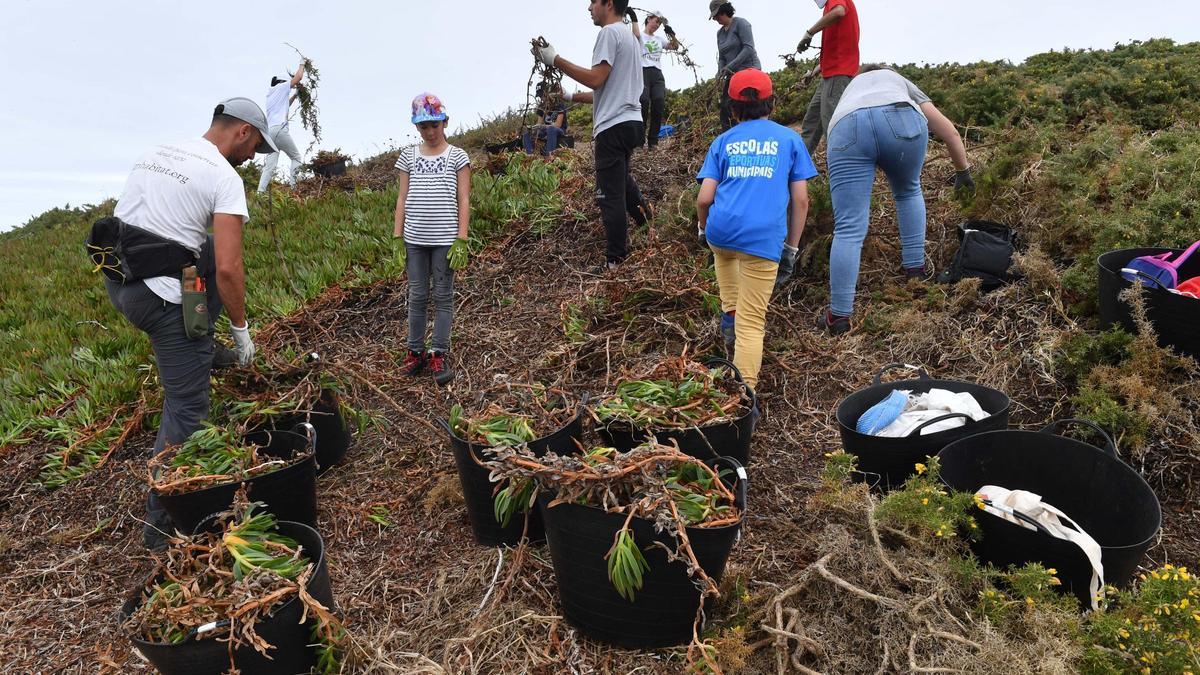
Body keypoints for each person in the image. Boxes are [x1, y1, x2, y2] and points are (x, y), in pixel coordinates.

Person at [103, 97, 274, 548]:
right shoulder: (224, 177)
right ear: (241, 131)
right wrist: (240, 330)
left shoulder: (160, 151)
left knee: (208, 249)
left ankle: (201, 343)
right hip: (159, 301)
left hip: (121, 283)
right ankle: (162, 526)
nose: (255, 155)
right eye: (256, 143)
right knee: (186, 408)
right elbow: (231, 272)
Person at [819, 66, 975, 335]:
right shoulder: (898, 80)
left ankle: (840, 316)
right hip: (901, 117)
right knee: (908, 190)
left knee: (848, 227)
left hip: (846, 126)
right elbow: (948, 131)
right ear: (885, 70)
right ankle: (915, 270)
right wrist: (963, 171)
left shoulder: (851, 89)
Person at [696, 69, 816, 390]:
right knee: (752, 325)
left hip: (720, 234)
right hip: (763, 240)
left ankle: (728, 331)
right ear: (771, 104)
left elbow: (705, 198)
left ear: (733, 109)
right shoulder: (790, 139)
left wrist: (702, 229)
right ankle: (743, 393)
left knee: (731, 291)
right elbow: (801, 201)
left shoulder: (722, 142)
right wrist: (790, 248)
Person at [536, 0, 653, 270]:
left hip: (612, 127)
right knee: (620, 180)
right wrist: (568, 95)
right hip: (631, 122)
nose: (589, 8)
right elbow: (607, 88)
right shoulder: (631, 38)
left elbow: (596, 79)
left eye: (592, 2)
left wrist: (555, 59)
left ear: (608, 4)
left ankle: (615, 261)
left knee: (608, 196)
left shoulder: (609, 33)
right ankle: (647, 221)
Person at [394, 93, 471, 385]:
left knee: (442, 296)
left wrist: (461, 237)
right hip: (415, 240)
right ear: (417, 128)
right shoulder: (408, 157)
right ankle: (415, 351)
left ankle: (438, 351)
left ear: (445, 122)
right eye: (424, 126)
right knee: (417, 296)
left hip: (445, 241)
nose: (430, 131)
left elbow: (463, 198)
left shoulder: (458, 156)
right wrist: (397, 237)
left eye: (434, 125)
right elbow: (401, 198)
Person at [796, 0, 860, 155]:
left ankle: (842, 169)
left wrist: (809, 33)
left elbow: (839, 11)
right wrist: (814, 72)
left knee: (833, 126)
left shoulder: (835, 3)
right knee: (812, 122)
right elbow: (838, 45)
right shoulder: (829, 8)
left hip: (838, 73)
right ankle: (797, 167)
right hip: (830, 73)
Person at [630, 8, 678, 149]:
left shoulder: (659, 39)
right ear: (649, 19)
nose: (657, 25)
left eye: (659, 23)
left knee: (658, 104)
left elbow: (675, 46)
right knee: (643, 102)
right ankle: (639, 142)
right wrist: (633, 16)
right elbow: (636, 33)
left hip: (657, 74)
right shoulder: (640, 36)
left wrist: (670, 32)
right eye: (656, 21)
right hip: (643, 72)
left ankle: (653, 142)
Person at [709, 1, 760, 130]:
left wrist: (730, 66)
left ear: (724, 11)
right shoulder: (719, 33)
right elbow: (722, 57)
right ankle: (730, 137)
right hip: (732, 74)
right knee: (726, 107)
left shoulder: (741, 23)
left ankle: (754, 133)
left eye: (717, 15)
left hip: (749, 70)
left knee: (747, 106)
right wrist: (721, 70)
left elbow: (748, 48)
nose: (715, 19)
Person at [256, 60, 306, 192]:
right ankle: (294, 188)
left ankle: (259, 193)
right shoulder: (282, 87)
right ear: (283, 82)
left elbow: (284, 106)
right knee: (296, 158)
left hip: (270, 133)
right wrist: (302, 64)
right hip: (280, 130)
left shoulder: (271, 94)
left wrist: (295, 96)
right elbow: (298, 77)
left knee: (269, 167)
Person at [521, 83, 569, 156]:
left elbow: (558, 125)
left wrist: (542, 126)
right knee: (526, 132)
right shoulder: (541, 106)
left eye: (542, 95)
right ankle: (530, 155)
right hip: (546, 130)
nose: (541, 98)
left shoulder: (558, 104)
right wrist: (533, 128)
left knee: (551, 129)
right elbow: (539, 123)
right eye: (540, 96)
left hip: (559, 130)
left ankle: (549, 156)